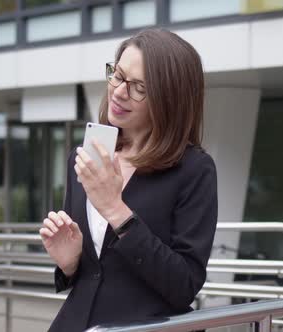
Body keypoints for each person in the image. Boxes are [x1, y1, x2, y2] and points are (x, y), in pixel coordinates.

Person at [39, 28, 218, 332]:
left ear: (169, 99)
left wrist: (116, 210)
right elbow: (95, 270)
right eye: (118, 75)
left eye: (139, 87)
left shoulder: (194, 169)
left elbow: (184, 285)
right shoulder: (84, 156)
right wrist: (69, 263)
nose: (119, 91)